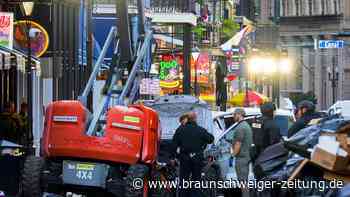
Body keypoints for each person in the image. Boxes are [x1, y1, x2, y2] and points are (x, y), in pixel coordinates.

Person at [171, 112, 214, 197]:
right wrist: (202, 142)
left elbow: (174, 145)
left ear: (187, 119)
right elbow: (211, 139)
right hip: (197, 158)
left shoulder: (180, 130)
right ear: (195, 119)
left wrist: (173, 157)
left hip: (184, 158)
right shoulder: (201, 130)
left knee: (184, 180)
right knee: (196, 180)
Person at [231, 108, 253, 197]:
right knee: (244, 181)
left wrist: (233, 155)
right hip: (246, 157)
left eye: (234, 114)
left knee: (243, 182)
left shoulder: (240, 127)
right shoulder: (245, 125)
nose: (233, 116)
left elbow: (238, 144)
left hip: (241, 158)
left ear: (239, 114)